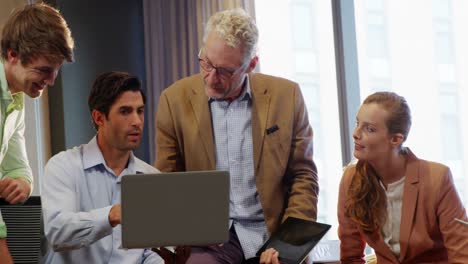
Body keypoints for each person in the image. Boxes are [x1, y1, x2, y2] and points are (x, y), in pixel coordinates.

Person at [155, 8, 318, 263]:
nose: (211, 78)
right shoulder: (173, 100)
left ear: (251, 65)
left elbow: (304, 177)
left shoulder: (287, 96)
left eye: (225, 71)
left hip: (273, 233)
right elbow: (166, 181)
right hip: (208, 241)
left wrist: (289, 243)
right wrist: (190, 229)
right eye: (206, 63)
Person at [41, 72, 163, 263]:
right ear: (99, 118)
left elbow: (150, 251)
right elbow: (58, 232)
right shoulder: (63, 166)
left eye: (139, 111)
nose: (137, 122)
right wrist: (111, 215)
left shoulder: (151, 177)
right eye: (125, 111)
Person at [338, 91, 468, 263]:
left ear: (396, 139)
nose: (356, 133)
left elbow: (462, 255)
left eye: (369, 129)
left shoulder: (437, 178)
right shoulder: (351, 179)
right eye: (357, 123)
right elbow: (351, 257)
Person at [0, 3, 74, 263]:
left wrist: (21, 183)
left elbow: (18, 168)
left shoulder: (15, 100)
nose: (52, 80)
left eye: (56, 70)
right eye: (44, 70)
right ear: (12, 55)